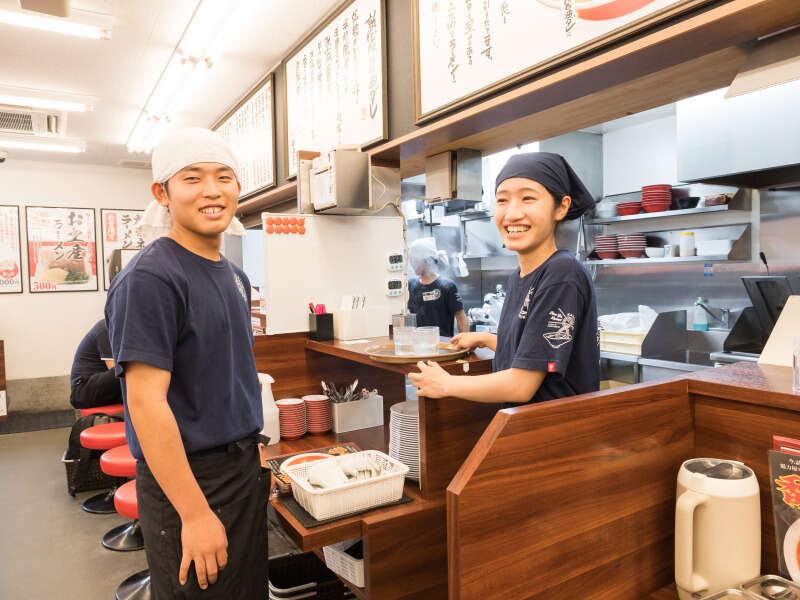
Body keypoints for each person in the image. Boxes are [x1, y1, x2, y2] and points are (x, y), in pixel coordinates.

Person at [105, 127, 267, 599]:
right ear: (162, 192)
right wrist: (194, 514)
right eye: (192, 178)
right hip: (188, 484)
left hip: (239, 472)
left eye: (224, 177)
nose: (212, 191)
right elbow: (145, 402)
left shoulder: (234, 276)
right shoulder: (152, 277)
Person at [409, 152, 600, 404]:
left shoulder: (561, 274)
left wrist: (447, 383)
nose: (512, 214)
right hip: (524, 429)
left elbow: (521, 386)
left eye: (528, 198)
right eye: (502, 200)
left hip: (557, 435)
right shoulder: (519, 277)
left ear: (561, 207)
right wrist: (487, 339)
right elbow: (534, 353)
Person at [407, 238, 468, 337]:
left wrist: (466, 345)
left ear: (427, 260)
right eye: (411, 260)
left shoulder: (447, 286)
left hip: (443, 347)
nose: (412, 263)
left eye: (415, 260)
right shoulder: (410, 285)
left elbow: (460, 317)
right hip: (418, 345)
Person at [69, 319, 121, 409]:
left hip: (104, 389)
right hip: (82, 391)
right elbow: (117, 372)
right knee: (123, 370)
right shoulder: (105, 329)